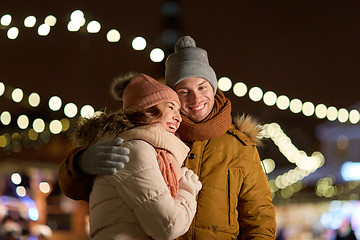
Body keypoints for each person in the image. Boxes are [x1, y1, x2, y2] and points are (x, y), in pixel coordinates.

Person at [58, 36, 276, 239]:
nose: (196, 98)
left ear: (214, 87)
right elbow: (77, 189)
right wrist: (81, 163)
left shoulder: (240, 146)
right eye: (184, 91)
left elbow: (258, 215)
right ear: (172, 95)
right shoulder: (151, 133)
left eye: (202, 87)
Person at [69, 73, 202, 239]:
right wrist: (187, 190)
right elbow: (168, 227)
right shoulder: (134, 150)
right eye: (170, 107)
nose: (179, 118)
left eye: (178, 110)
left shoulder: (149, 149)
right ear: (148, 109)